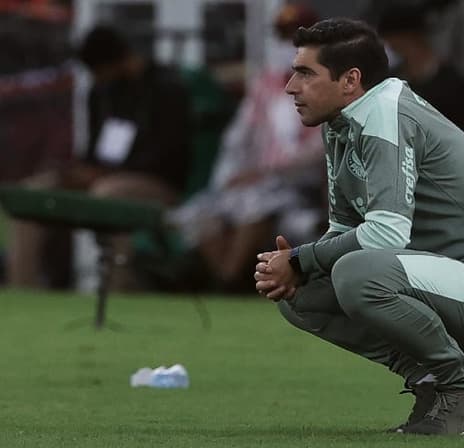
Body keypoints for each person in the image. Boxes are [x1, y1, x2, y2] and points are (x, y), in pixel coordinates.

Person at [254, 18, 464, 436]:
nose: (290, 86)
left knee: (354, 273)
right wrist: (295, 266)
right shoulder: (343, 121)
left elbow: (386, 236)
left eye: (305, 73)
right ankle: (432, 383)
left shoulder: (384, 113)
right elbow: (345, 229)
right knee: (301, 293)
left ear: (351, 80)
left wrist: (302, 257)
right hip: (446, 284)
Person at [7, 25, 192, 290]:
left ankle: (117, 288)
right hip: (101, 177)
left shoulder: (167, 89)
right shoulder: (102, 93)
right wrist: (75, 170)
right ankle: (22, 286)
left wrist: (105, 174)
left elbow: (169, 156)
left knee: (110, 194)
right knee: (34, 191)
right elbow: (96, 149)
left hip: (153, 183)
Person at [167, 3, 324, 290]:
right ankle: (227, 279)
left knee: (255, 203)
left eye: (296, 39)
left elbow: (319, 150)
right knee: (198, 214)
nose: (287, 45)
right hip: (253, 183)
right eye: (283, 37)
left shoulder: (325, 86)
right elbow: (237, 141)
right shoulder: (264, 85)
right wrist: (228, 178)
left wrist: (267, 174)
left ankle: (229, 282)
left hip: (296, 186)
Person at [377, 5, 464, 136]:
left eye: (394, 44)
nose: (391, 50)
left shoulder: (457, 88)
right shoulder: (390, 84)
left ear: (411, 40)